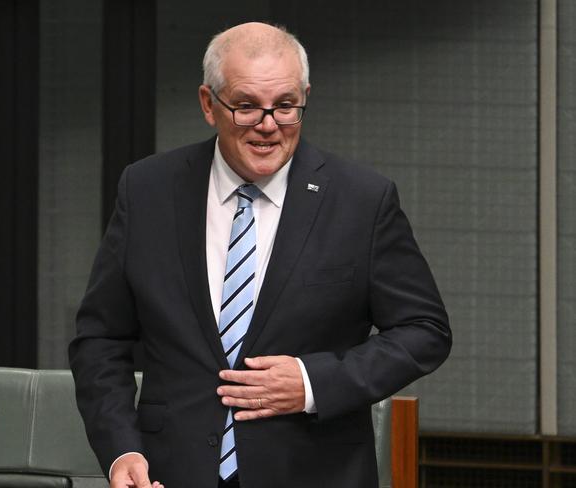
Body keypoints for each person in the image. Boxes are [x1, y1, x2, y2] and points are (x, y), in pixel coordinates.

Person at [69, 22, 451, 488]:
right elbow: (100, 339)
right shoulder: (147, 190)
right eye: (247, 106)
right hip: (171, 473)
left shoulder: (362, 201)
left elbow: (424, 331)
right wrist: (121, 449)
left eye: (286, 106)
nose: (268, 125)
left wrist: (313, 382)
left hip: (314, 471)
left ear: (305, 97)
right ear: (209, 104)